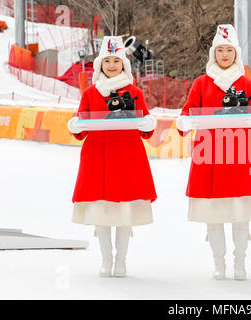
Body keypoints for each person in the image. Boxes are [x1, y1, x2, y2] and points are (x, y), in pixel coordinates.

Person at [176, 24, 251, 281]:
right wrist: (183, 123)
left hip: (240, 154)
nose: (225, 55)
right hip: (209, 156)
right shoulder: (201, 83)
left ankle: (240, 261)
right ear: (213, 53)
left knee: (240, 211)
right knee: (213, 212)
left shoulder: (246, 84)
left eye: (229, 50)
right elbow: (188, 111)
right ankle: (219, 262)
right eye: (220, 50)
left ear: (236, 53)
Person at [67, 36, 157, 278]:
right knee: (101, 212)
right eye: (106, 60)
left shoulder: (135, 92)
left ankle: (121, 260)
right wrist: (75, 126)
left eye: (116, 60)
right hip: (98, 159)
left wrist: (149, 123)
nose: (111, 65)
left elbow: (145, 129)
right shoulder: (89, 94)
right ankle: (106, 259)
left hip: (127, 158)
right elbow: (82, 129)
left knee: (124, 212)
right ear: (100, 64)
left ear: (123, 63)